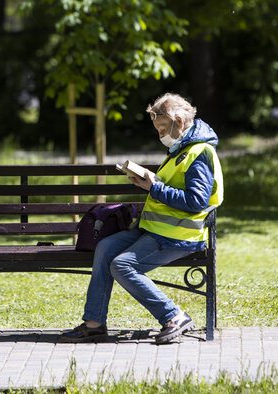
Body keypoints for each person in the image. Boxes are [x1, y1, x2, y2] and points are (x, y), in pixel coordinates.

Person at [60, 93, 224, 345]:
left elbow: (196, 202)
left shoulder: (198, 153)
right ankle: (94, 324)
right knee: (105, 248)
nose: (160, 135)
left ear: (179, 121)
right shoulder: (180, 149)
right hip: (155, 231)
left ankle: (174, 316)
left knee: (123, 265)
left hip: (179, 237)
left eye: (162, 128)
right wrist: (149, 181)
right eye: (157, 130)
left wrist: (154, 188)